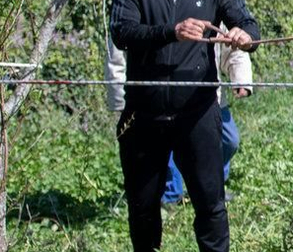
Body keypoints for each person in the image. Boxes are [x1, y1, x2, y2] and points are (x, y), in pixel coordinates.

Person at [108, 0, 259, 252]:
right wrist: (171, 32)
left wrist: (244, 36)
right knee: (143, 201)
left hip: (197, 111)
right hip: (145, 110)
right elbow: (122, 32)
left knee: (210, 198)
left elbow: (249, 25)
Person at [105, 27, 253, 203]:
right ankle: (169, 196)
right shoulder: (139, 5)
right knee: (166, 144)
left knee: (229, 139)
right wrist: (121, 100)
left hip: (207, 96)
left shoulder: (212, 1)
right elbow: (117, 56)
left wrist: (241, 79)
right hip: (160, 96)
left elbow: (232, 47)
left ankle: (208, 185)